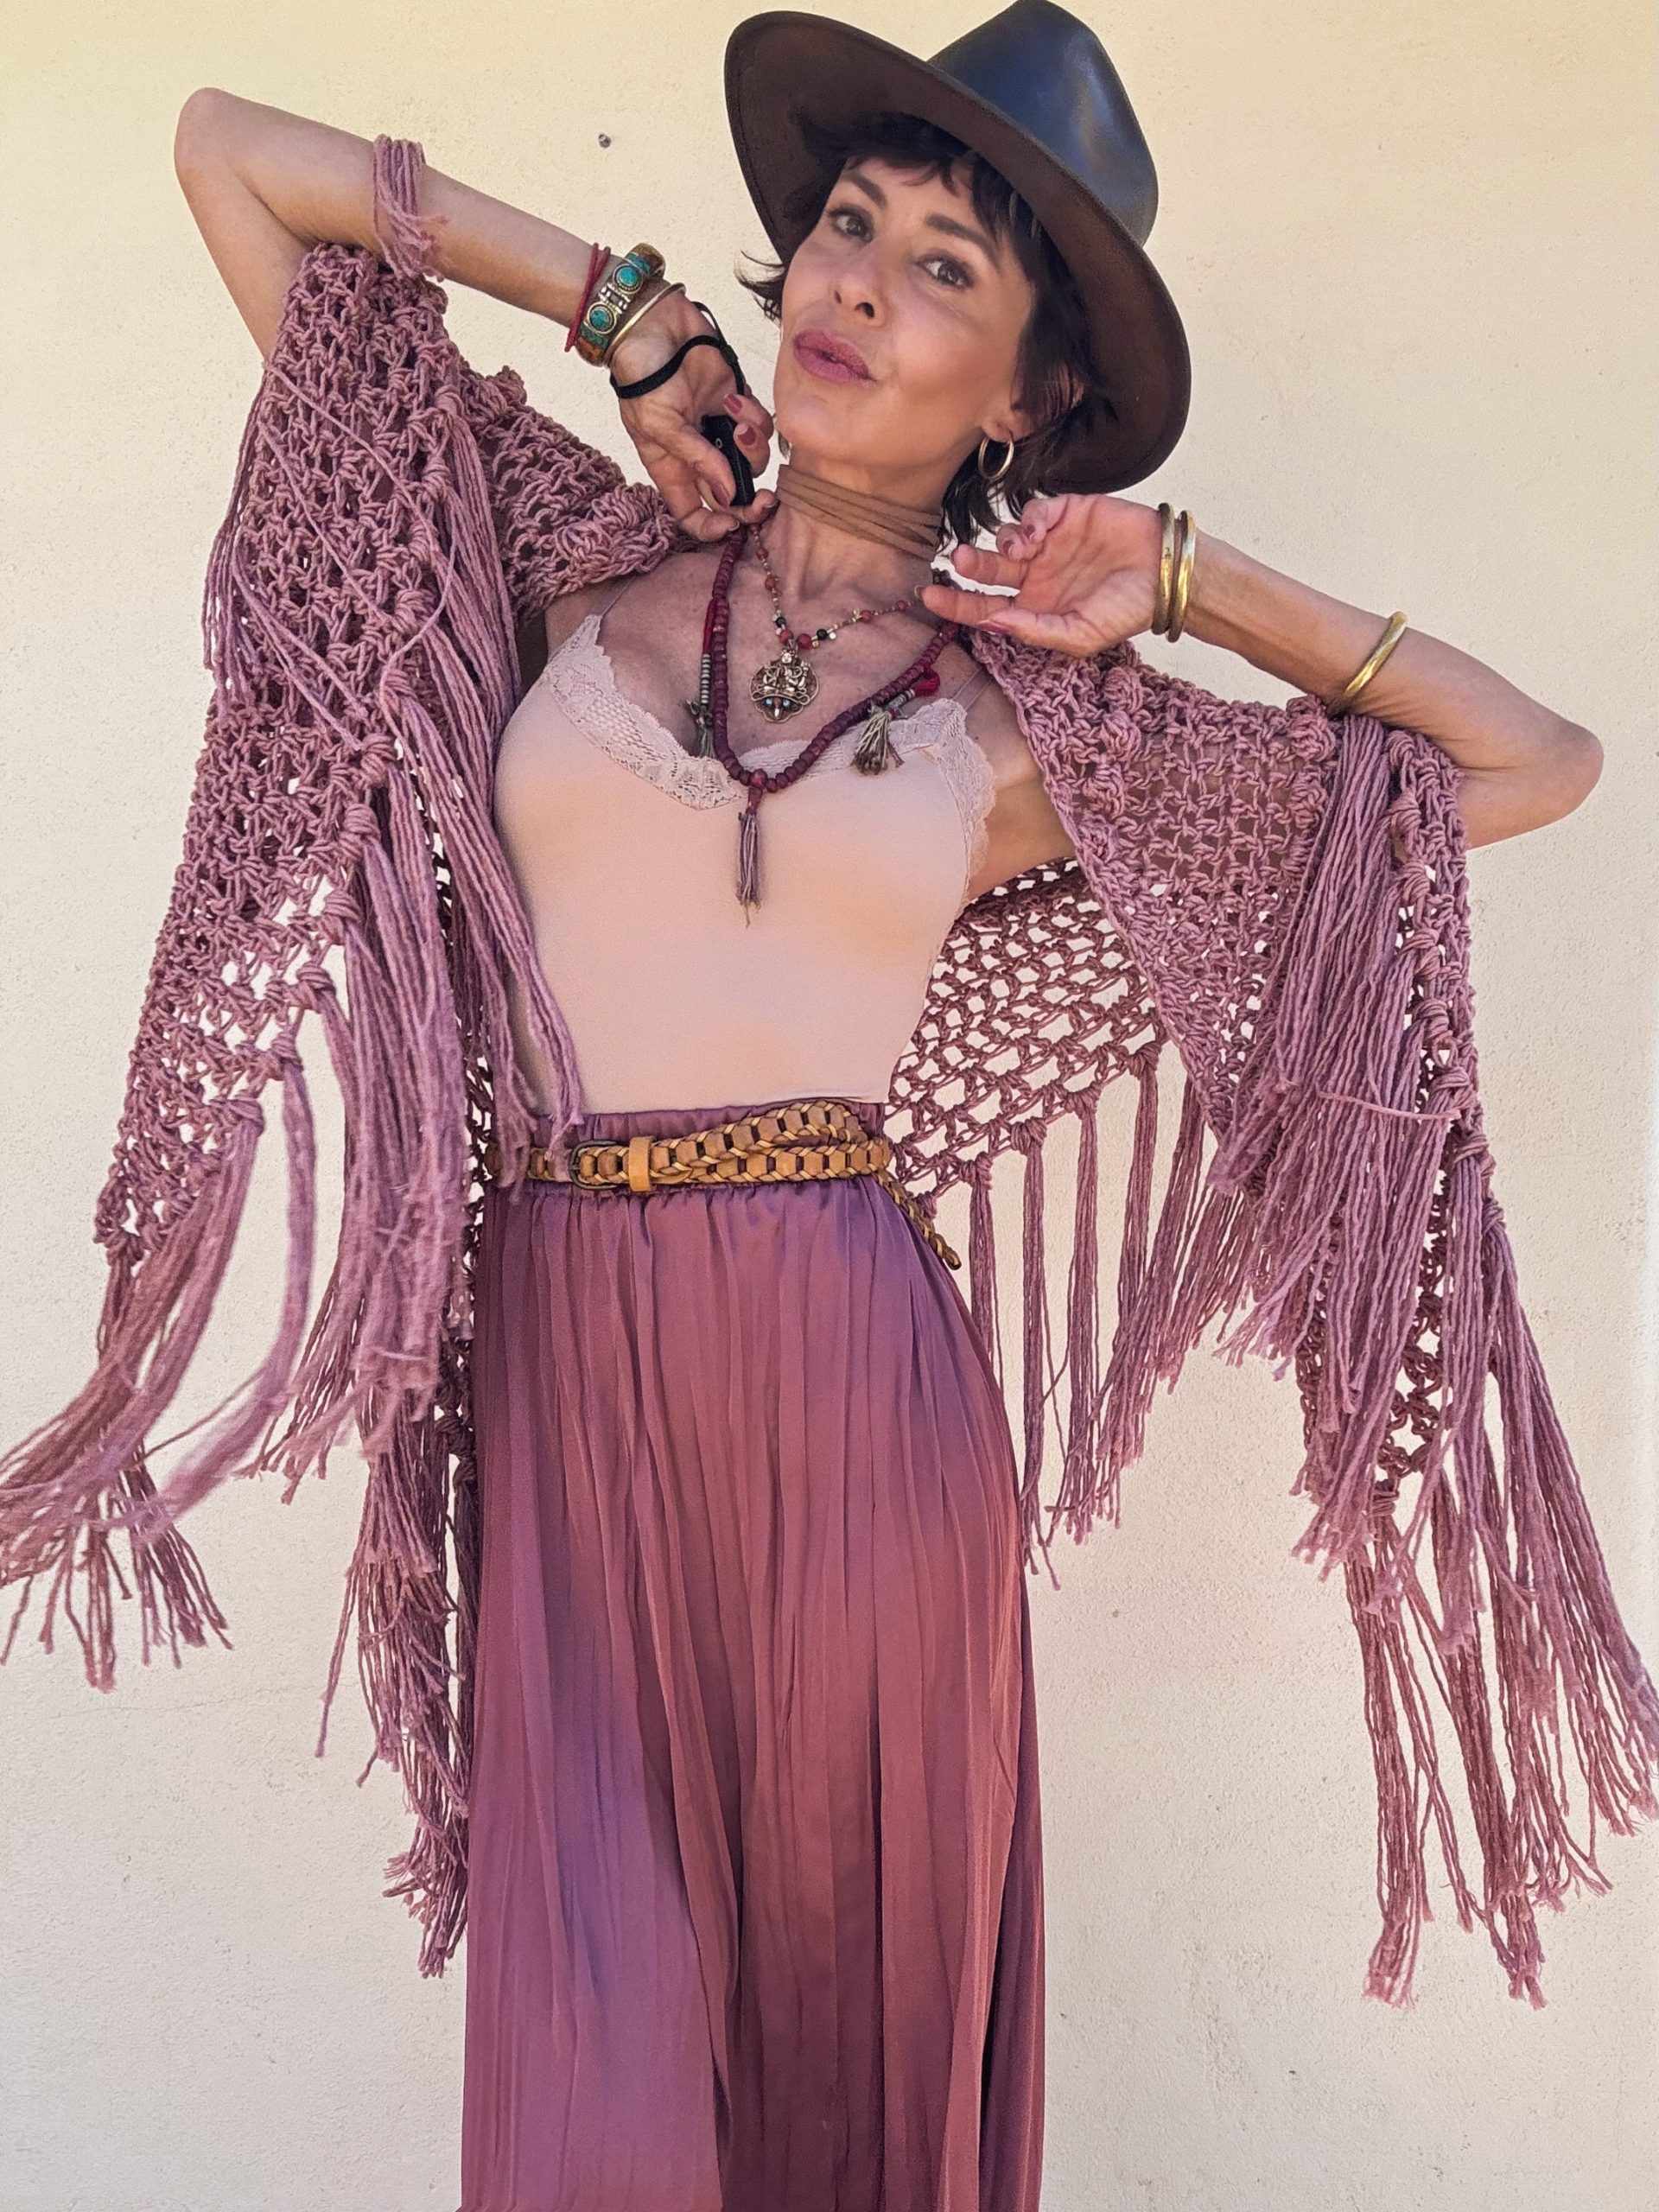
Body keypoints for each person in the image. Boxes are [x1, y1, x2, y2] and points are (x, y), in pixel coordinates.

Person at [8, 9, 1649, 2212]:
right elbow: (233, 155)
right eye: (847, 229)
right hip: (574, 1368)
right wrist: (617, 305)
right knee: (595, 2080)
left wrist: (1179, 577)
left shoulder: (1037, 732)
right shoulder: (555, 549)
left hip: (862, 1389)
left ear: (1028, 398)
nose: (859, 283)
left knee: (857, 2057)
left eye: (944, 268)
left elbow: (1527, 762)